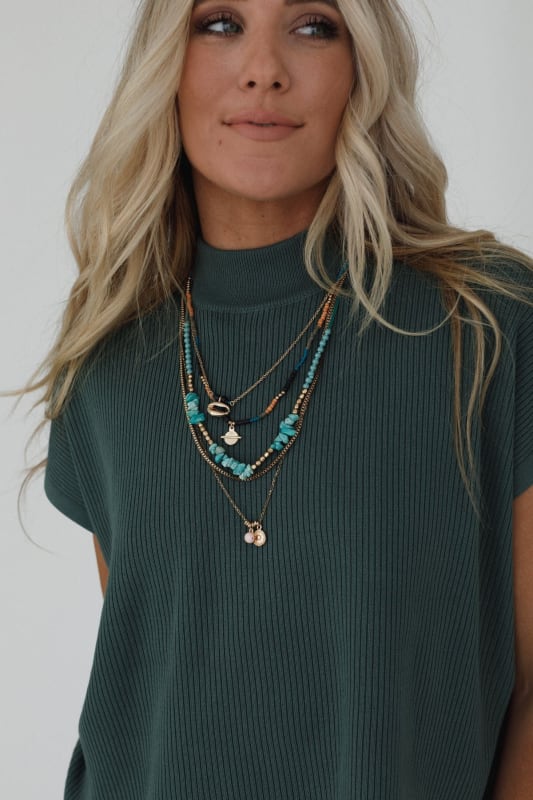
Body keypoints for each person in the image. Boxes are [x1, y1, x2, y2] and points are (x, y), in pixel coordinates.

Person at [16, 0, 533, 797]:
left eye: (312, 26)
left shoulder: (487, 325)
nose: (263, 70)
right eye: (221, 23)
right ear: (166, 64)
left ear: (361, 66)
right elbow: (160, 691)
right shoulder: (107, 358)